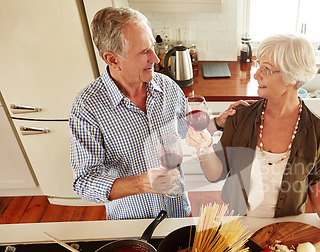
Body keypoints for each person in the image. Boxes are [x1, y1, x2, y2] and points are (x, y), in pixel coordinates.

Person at [69, 7, 239, 220]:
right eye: (144, 52)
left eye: (153, 48)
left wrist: (216, 123)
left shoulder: (167, 87)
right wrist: (141, 183)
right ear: (113, 60)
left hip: (178, 211)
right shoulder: (87, 107)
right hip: (131, 222)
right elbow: (85, 183)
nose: (156, 59)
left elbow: (182, 128)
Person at [187, 34, 320, 234]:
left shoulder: (315, 128)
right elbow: (215, 174)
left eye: (265, 69)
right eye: (259, 66)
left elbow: (316, 178)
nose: (257, 75)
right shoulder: (240, 117)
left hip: (288, 226)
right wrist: (204, 147)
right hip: (239, 223)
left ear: (292, 77)